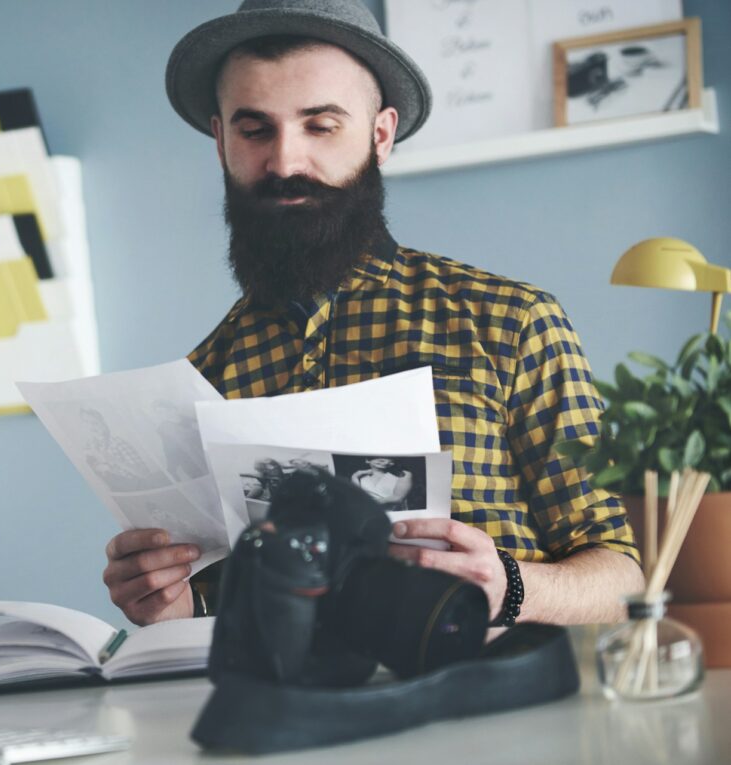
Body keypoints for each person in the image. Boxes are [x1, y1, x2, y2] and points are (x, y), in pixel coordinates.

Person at [102, 0, 644, 628]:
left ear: (380, 135)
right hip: (291, 719)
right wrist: (175, 601)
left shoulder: (513, 323)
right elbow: (226, 609)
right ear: (221, 141)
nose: (285, 163)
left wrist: (511, 586)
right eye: (255, 131)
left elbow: (626, 579)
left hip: (495, 702)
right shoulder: (203, 376)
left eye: (321, 125)